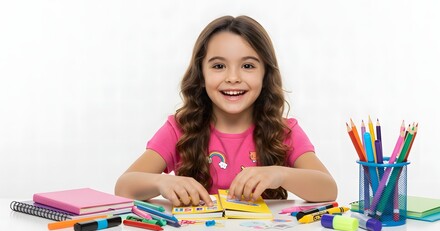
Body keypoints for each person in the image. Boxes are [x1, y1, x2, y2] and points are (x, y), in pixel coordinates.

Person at [115, 15, 337, 207]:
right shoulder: (179, 128)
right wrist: (161, 182)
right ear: (201, 75)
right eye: (218, 66)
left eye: (248, 66)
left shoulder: (284, 131)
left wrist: (280, 174)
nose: (233, 77)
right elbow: (123, 187)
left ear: (265, 75)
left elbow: (328, 189)